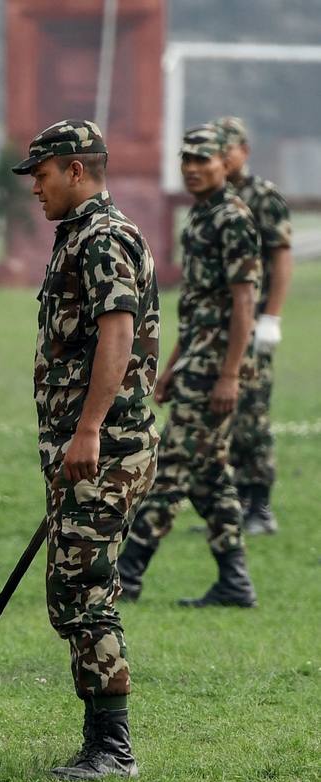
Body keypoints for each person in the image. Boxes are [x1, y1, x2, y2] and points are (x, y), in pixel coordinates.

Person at [11, 119, 159, 780]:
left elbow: (116, 334)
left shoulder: (100, 239)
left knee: (84, 586)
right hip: (84, 448)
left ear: (75, 169)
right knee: (74, 586)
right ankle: (99, 741)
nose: (35, 190)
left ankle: (111, 749)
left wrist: (89, 428)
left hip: (104, 446)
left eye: (41, 176)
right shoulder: (79, 237)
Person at [116, 126, 261, 610]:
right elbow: (199, 307)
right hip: (197, 360)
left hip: (220, 364)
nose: (194, 168)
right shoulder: (200, 217)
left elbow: (244, 303)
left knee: (173, 465)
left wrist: (229, 374)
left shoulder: (234, 219)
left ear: (226, 162)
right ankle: (235, 583)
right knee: (210, 475)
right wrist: (174, 364)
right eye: (187, 160)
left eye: (204, 159)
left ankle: (129, 574)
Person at [212, 116, 292, 535]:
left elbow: (281, 258)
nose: (222, 156)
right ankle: (232, 503)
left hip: (253, 319)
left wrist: (271, 317)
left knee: (251, 412)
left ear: (245, 149)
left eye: (228, 148)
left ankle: (259, 506)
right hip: (219, 326)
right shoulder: (214, 197)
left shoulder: (262, 197)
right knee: (220, 415)